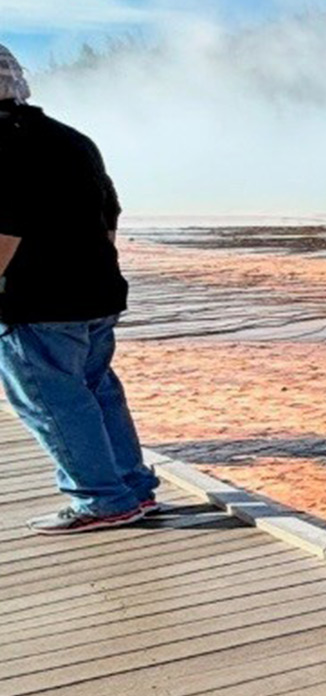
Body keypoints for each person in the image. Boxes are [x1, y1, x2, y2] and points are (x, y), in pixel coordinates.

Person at [0, 43, 161, 534]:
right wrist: (89, 263)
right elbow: (109, 212)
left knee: (53, 402)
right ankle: (133, 488)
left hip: (35, 302)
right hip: (95, 292)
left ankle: (101, 499)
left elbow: (7, 229)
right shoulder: (71, 138)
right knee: (97, 392)